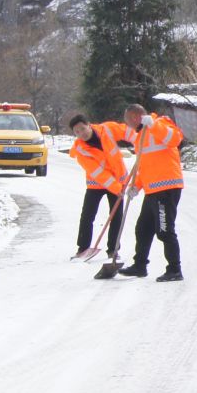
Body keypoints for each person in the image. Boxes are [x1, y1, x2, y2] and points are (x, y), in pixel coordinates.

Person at [119, 103, 185, 282]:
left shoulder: (161, 123)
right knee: (143, 229)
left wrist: (153, 125)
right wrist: (136, 186)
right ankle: (140, 265)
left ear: (134, 117)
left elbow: (175, 139)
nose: (127, 125)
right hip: (152, 189)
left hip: (167, 187)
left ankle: (174, 269)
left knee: (164, 230)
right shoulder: (140, 136)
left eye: (127, 120)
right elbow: (144, 166)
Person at [66, 112, 136, 278]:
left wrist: (141, 141)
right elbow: (99, 173)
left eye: (83, 129)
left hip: (119, 180)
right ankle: (83, 248)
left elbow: (127, 132)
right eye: (77, 132)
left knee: (116, 215)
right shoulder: (80, 150)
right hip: (97, 183)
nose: (82, 134)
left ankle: (113, 249)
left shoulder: (108, 129)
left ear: (89, 125)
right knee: (87, 215)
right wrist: (116, 187)